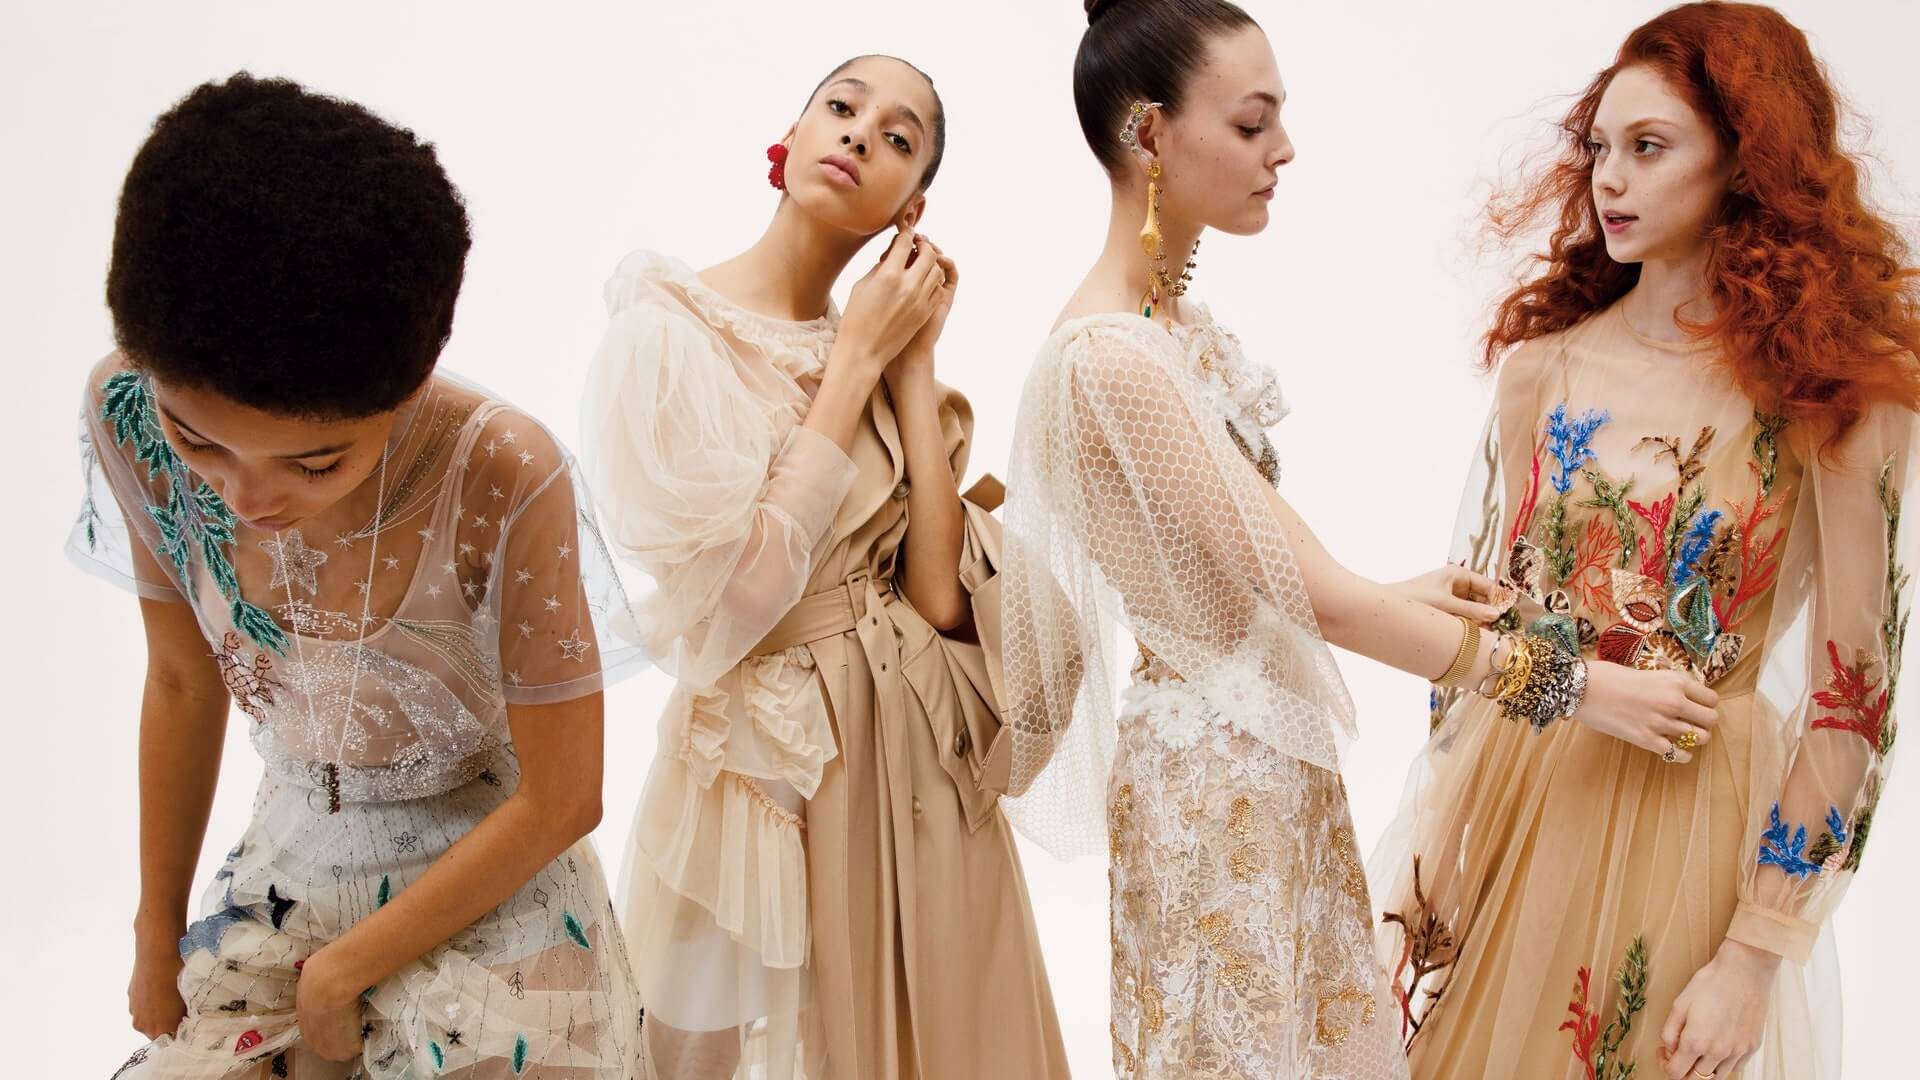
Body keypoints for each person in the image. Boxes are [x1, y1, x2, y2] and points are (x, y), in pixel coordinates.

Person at [1369, 5, 1920, 1078]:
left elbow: (1854, 694)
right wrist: (1443, 864)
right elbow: (1490, 629)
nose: (1609, 179)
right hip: (1519, 805)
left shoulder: (1835, 394)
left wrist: (1756, 952)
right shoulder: (1544, 372)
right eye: (1599, 149)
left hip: (1692, 834)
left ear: (1746, 159)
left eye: (1649, 146)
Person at [73, 74, 649, 1079]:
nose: (248, 496)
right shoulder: (128, 409)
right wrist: (153, 932)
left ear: (412, 384)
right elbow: (181, 676)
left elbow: (564, 797)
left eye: (315, 462)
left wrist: (339, 978)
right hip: (288, 873)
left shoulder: (502, 470)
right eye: (199, 442)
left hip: (492, 899)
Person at [582, 54, 1068, 1079]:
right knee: (708, 1050)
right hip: (756, 766)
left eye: (897, 138)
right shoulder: (670, 331)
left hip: (903, 757)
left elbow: (937, 598)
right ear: (790, 138)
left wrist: (910, 363)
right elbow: (743, 600)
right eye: (841, 108)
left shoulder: (881, 348)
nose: (857, 135)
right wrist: (853, 363)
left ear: (911, 206)